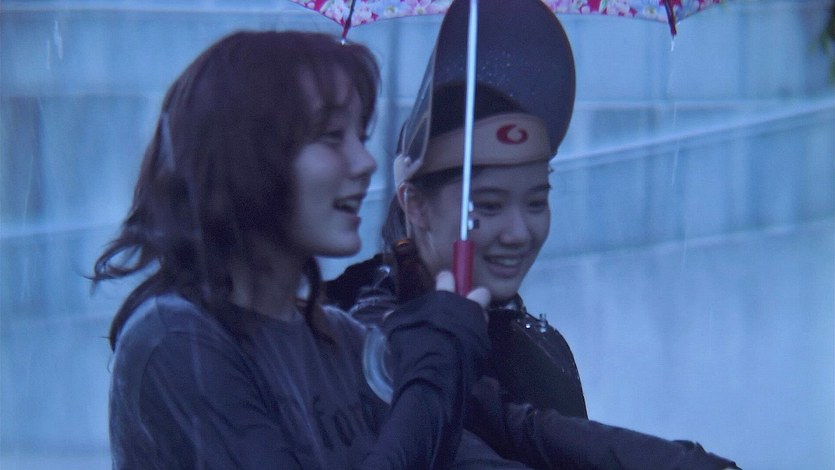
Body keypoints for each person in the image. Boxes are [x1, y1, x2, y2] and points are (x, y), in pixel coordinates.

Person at [326, 0, 740, 468]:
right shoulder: (361, 335)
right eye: (488, 206)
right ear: (415, 204)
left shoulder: (535, 344)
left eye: (537, 202)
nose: (519, 232)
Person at [91, 30, 494, 469]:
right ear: (243, 153)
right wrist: (433, 375)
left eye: (360, 136)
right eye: (332, 136)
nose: (366, 162)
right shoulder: (175, 341)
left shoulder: (343, 342)